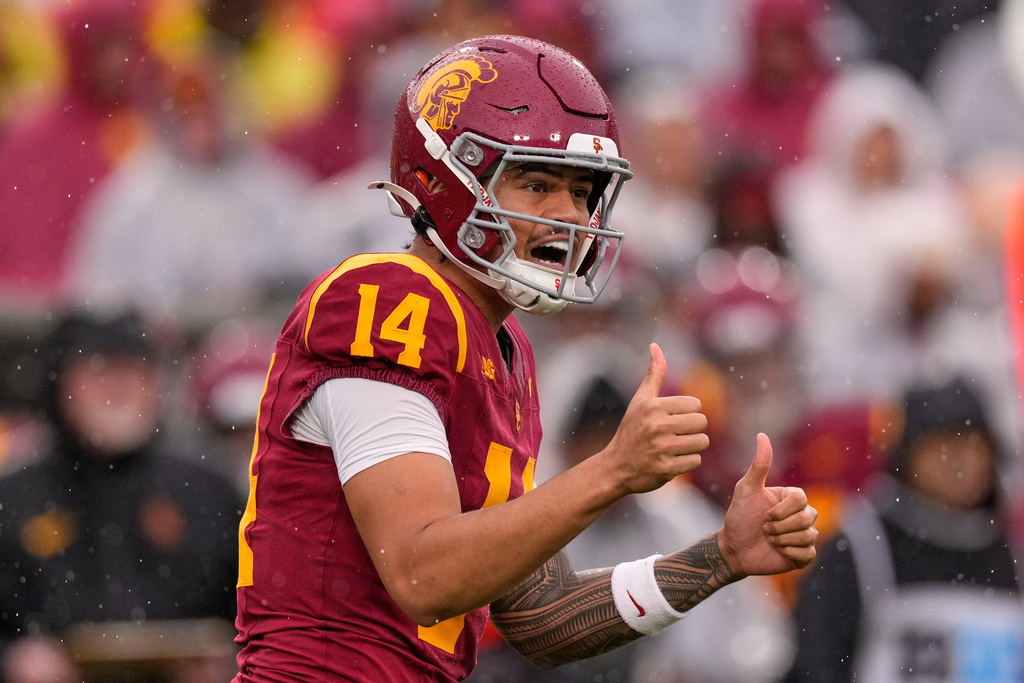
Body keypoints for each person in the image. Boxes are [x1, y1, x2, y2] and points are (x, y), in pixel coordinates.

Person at [233, 35, 818, 682]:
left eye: (583, 190)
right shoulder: (386, 299)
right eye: (537, 183)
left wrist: (719, 558)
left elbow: (542, 614)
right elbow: (422, 573)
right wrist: (612, 471)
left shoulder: (504, 352)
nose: (568, 216)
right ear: (443, 176)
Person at [0, 309, 243, 683]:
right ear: (59, 384)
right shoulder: (14, 497)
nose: (117, 388)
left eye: (133, 371)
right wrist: (14, 659)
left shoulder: (208, 490)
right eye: (99, 372)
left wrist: (233, 662)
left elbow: (263, 616)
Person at [785, 376, 1024, 682]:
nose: (957, 462)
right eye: (941, 446)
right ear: (907, 457)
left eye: (972, 444)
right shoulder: (861, 551)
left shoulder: (1014, 557)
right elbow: (816, 667)